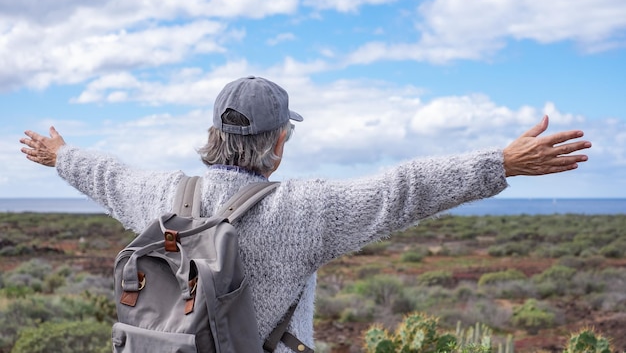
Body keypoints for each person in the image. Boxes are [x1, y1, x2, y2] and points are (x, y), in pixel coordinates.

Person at [20, 75, 591, 352]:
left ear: (213, 135)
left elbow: (106, 174)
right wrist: (502, 164)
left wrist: (59, 156)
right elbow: (404, 188)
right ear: (278, 144)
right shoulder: (303, 210)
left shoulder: (163, 194)